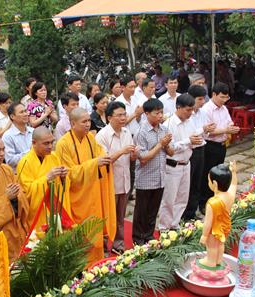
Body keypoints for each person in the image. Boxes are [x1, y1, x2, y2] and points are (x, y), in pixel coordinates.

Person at [56, 108, 116, 262]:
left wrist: (103, 159)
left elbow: (100, 153)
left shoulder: (90, 138)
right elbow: (68, 173)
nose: (88, 124)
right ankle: (80, 268)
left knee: (94, 232)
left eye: (89, 120)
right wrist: (94, 163)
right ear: (73, 123)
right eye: (84, 121)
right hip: (77, 197)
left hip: (93, 193)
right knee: (81, 236)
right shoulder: (63, 144)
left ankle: (96, 265)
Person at [158, 94, 204, 231]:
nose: (190, 113)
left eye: (192, 110)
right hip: (172, 165)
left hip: (186, 163)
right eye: (188, 110)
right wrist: (188, 141)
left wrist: (195, 140)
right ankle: (164, 227)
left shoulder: (190, 122)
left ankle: (175, 224)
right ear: (178, 107)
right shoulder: (168, 124)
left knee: (182, 198)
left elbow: (193, 139)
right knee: (169, 199)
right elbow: (170, 149)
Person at [95, 102, 137, 254]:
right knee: (107, 216)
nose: (123, 118)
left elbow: (130, 157)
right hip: (110, 183)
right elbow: (104, 160)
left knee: (121, 216)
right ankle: (104, 245)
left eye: (124, 114)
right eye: (119, 115)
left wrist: (133, 155)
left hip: (125, 181)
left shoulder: (126, 132)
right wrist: (122, 151)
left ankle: (118, 244)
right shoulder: (102, 136)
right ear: (109, 118)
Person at [132, 99, 174, 244]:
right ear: (147, 113)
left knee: (153, 211)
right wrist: (160, 144)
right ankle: (138, 239)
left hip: (160, 177)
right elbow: (143, 157)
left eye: (161, 112)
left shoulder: (164, 129)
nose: (160, 116)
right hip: (146, 178)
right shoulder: (141, 133)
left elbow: (171, 152)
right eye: (156, 113)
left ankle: (149, 237)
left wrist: (166, 145)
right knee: (141, 212)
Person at [17, 127, 70, 232]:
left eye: (52, 142)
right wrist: (46, 178)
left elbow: (63, 186)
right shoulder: (24, 162)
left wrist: (63, 178)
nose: (50, 146)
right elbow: (26, 193)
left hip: (56, 209)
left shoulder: (54, 157)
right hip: (39, 213)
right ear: (34, 143)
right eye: (46, 143)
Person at [199, 83, 240, 212]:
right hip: (210, 146)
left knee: (219, 174)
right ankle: (204, 203)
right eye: (222, 97)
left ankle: (216, 200)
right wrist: (226, 130)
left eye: (226, 98)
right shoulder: (206, 110)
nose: (224, 100)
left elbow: (229, 122)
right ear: (214, 94)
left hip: (222, 145)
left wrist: (231, 128)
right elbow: (208, 132)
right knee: (208, 175)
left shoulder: (224, 109)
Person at [183, 85, 215, 221]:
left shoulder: (202, 112)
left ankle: (192, 212)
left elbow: (204, 132)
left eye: (204, 99)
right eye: (200, 99)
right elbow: (190, 133)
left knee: (198, 181)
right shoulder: (186, 114)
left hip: (201, 148)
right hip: (190, 150)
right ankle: (183, 213)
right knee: (187, 183)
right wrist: (203, 129)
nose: (203, 102)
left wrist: (207, 130)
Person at [199, 162, 238, 268]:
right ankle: (218, 259)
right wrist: (234, 172)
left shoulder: (213, 202)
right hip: (225, 227)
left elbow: (208, 222)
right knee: (221, 244)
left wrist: (204, 235)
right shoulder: (230, 196)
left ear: (215, 184)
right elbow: (234, 185)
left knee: (211, 246)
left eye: (209, 181)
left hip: (214, 230)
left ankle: (210, 261)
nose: (208, 183)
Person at [3, 103, 34, 171]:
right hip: (19, 174)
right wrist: (31, 151)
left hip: (36, 171)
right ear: (12, 116)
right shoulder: (8, 136)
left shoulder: (33, 131)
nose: (26, 114)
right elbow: (10, 161)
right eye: (21, 112)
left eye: (25, 111)